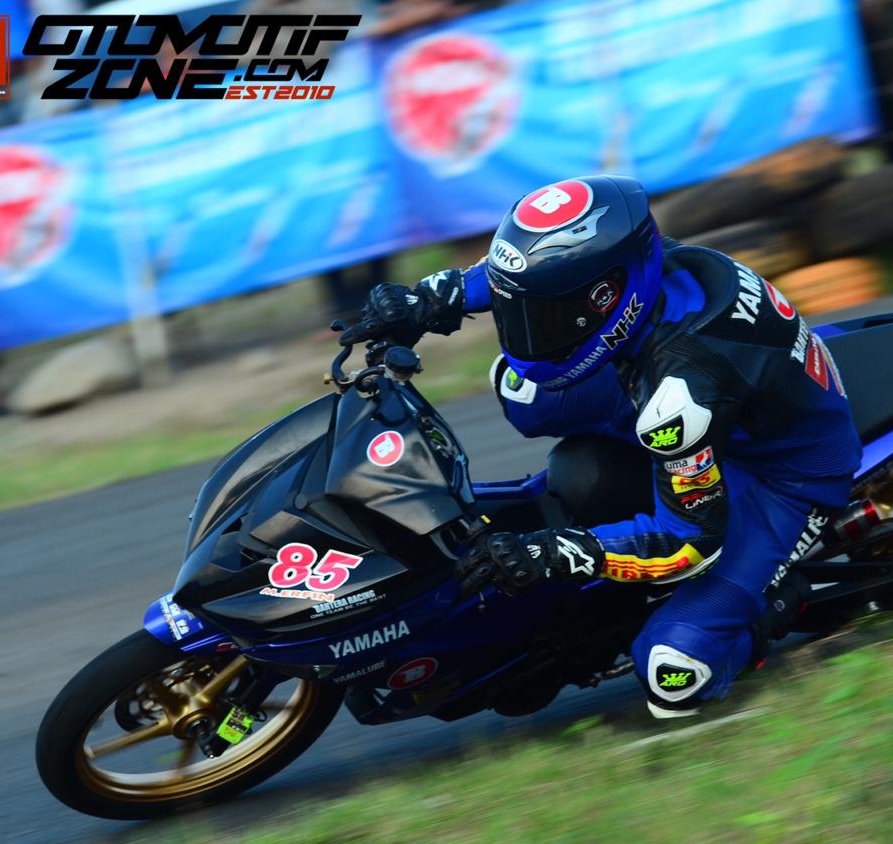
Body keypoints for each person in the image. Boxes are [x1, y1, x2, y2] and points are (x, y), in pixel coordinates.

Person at [360, 175, 862, 718]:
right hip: (706, 397)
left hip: (782, 474)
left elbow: (688, 543)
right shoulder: (638, 261)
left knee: (673, 674)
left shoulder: (680, 398)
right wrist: (430, 299)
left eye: (549, 315)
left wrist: (558, 552)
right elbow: (529, 274)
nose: (529, 329)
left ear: (607, 297)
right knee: (523, 392)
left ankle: (777, 603)